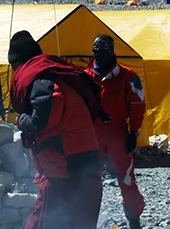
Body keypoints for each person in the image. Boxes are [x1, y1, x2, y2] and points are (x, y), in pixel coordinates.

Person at [8, 30, 108, 229]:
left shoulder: (38, 78)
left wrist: (22, 121)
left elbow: (43, 119)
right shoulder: (56, 72)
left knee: (45, 221)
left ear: (18, 62)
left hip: (63, 165)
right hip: (85, 159)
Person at [84, 35, 146, 229]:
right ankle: (86, 219)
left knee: (126, 176)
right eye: (95, 50)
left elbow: (137, 104)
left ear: (112, 51)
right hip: (92, 132)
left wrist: (134, 132)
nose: (98, 54)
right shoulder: (85, 76)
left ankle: (133, 218)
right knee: (90, 177)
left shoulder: (128, 77)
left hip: (117, 131)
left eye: (102, 50)